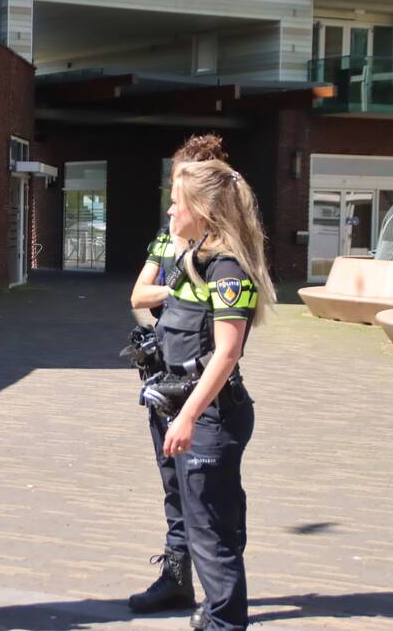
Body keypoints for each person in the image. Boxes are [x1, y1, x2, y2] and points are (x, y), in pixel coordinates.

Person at [153, 158, 276, 631]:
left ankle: (225, 622)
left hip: (211, 417)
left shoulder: (228, 270)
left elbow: (226, 354)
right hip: (196, 411)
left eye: (175, 203)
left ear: (202, 209)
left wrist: (186, 417)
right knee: (205, 523)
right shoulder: (197, 259)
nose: (169, 212)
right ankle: (215, 614)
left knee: (213, 533)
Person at [127, 135, 230, 619]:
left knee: (206, 496)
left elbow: (225, 323)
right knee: (173, 487)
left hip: (199, 385)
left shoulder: (223, 251)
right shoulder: (169, 240)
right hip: (161, 380)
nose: (171, 203)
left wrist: (172, 291)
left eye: (179, 190)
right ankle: (176, 579)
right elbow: (137, 296)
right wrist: (179, 289)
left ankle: (221, 600)